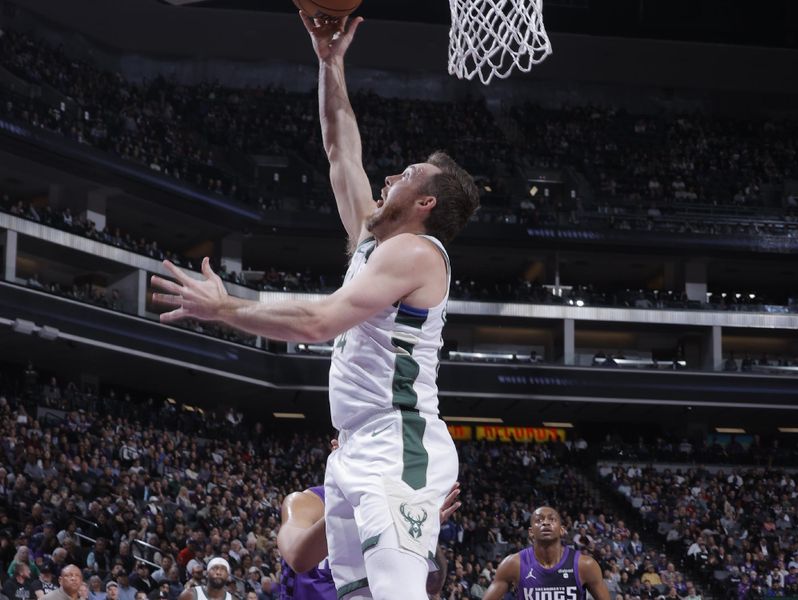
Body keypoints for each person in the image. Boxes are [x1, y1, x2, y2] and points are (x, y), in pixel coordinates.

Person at [150, 11, 480, 600]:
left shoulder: (419, 252)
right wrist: (330, 64)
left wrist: (227, 309)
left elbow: (321, 321)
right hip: (353, 449)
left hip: (397, 441)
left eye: (404, 175)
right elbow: (339, 146)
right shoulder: (373, 243)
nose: (387, 176)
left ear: (425, 201)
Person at [277, 481, 461, 599]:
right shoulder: (305, 502)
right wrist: (357, 505)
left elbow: (433, 585)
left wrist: (421, 535)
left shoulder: (393, 509)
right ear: (338, 450)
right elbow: (296, 556)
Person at [483, 506, 610, 600]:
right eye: (539, 520)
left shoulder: (585, 565)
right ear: (531, 532)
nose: (545, 522)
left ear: (562, 530)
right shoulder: (513, 564)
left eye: (552, 519)